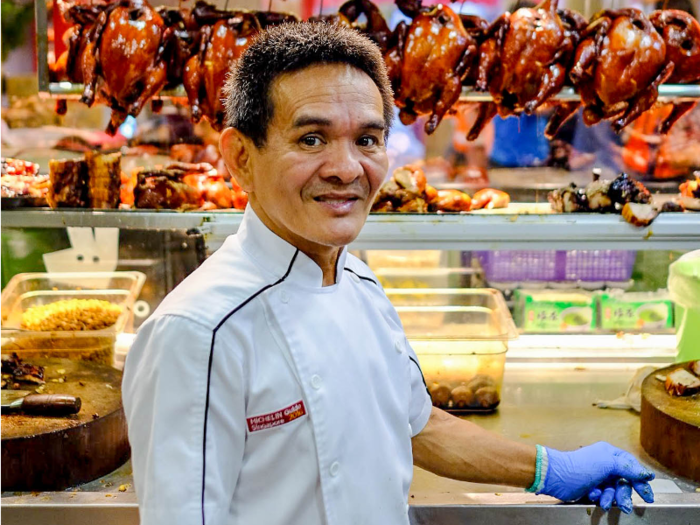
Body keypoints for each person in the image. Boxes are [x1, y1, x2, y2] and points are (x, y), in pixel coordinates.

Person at [122, 23, 655, 525]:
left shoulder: (360, 284)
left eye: (367, 141)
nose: (347, 169)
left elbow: (418, 427)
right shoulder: (198, 333)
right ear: (240, 157)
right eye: (311, 139)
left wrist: (551, 469)